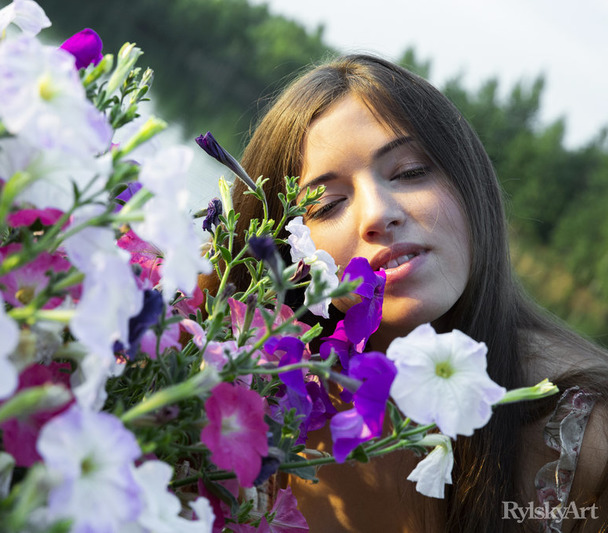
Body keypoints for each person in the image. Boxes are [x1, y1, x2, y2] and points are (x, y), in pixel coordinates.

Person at [225, 54, 608, 532]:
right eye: (327, 204)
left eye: (408, 172)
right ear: (286, 253)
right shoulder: (249, 398)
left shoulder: (585, 437)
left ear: (469, 182)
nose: (376, 214)